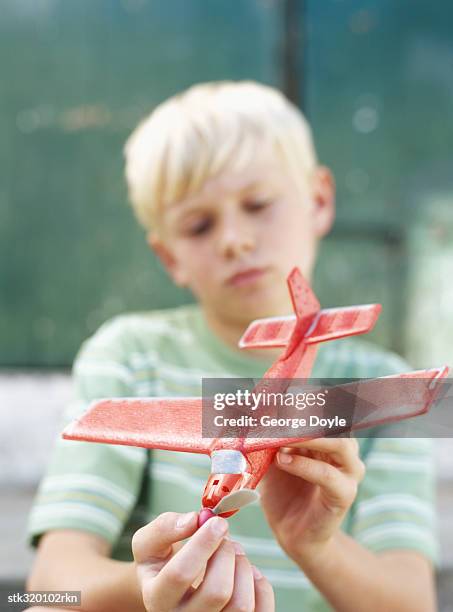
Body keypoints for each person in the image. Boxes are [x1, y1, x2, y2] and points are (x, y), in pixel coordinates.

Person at [26, 81, 437, 611]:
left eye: (258, 204)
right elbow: (44, 592)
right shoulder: (130, 356)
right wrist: (148, 585)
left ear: (318, 201)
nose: (234, 240)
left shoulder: (377, 389)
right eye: (199, 226)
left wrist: (315, 544)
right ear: (168, 256)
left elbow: (413, 603)